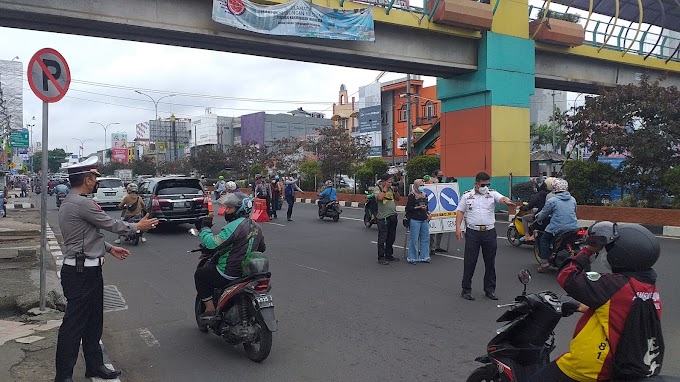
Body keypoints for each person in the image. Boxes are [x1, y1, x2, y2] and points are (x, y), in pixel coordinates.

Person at [55, 157, 158, 382]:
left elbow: (85, 236)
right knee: (73, 327)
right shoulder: (83, 203)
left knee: (94, 322)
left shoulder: (71, 201)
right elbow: (110, 224)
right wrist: (137, 226)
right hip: (80, 273)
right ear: (87, 180)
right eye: (94, 178)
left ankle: (95, 366)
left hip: (87, 271)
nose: (96, 182)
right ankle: (63, 376)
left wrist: (110, 249)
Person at [529, 222, 664, 381]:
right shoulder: (649, 288)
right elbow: (623, 314)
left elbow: (567, 276)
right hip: (630, 362)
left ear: (621, 255)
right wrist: (584, 307)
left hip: (593, 365)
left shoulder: (613, 285)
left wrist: (588, 250)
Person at [195, 193, 265, 321]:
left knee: (200, 275)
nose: (226, 211)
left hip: (228, 273)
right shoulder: (256, 226)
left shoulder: (233, 226)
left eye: (230, 208)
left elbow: (211, 244)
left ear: (240, 209)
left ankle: (210, 309)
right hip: (247, 273)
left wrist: (205, 228)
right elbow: (262, 248)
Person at [455, 172, 515, 301]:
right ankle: (466, 290)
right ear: (476, 183)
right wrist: (458, 228)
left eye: (488, 184)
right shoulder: (467, 195)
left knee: (490, 262)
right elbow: (460, 211)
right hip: (473, 232)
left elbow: (502, 198)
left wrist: (507, 201)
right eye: (483, 184)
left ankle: (490, 290)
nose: (485, 187)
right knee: (470, 262)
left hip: (489, 232)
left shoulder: (492, 194)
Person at [534, 178, 578, 272]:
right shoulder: (573, 199)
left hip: (557, 228)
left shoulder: (552, 200)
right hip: (573, 227)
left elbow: (543, 214)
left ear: (554, 188)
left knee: (544, 239)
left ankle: (544, 262)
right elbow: (574, 212)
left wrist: (537, 217)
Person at [374, 173, 401, 265]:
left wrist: (396, 190)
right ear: (383, 181)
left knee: (391, 237)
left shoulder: (391, 189)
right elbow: (380, 198)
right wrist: (385, 188)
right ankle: (381, 257)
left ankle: (389, 255)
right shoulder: (378, 188)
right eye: (389, 181)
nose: (390, 183)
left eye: (391, 181)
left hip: (393, 215)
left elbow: (398, 199)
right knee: (382, 237)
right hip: (383, 217)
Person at [406, 179, 431, 264]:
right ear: (416, 186)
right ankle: (412, 258)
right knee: (414, 239)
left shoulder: (424, 195)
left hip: (424, 219)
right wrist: (418, 208)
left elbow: (427, 206)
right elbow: (408, 208)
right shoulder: (412, 196)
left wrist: (428, 213)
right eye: (420, 185)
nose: (422, 187)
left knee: (425, 238)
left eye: (423, 185)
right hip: (415, 219)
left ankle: (424, 257)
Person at [429, 170, 446, 254]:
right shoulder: (430, 182)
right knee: (432, 229)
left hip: (441, 208)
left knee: (441, 228)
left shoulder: (442, 183)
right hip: (433, 208)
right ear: (435, 175)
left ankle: (437, 246)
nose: (441, 177)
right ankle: (431, 248)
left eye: (442, 175)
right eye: (440, 175)